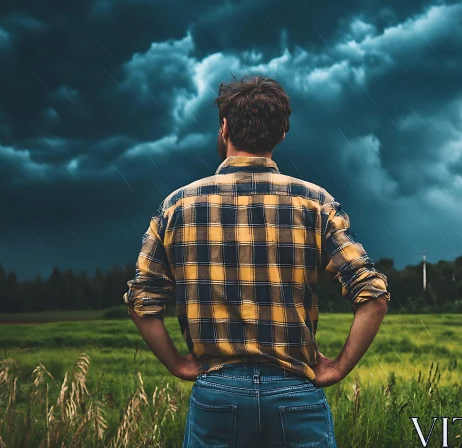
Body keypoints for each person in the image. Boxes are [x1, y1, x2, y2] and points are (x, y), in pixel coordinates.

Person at [124, 75, 390, 447]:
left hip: (217, 394)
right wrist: (339, 366)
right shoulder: (315, 203)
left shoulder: (177, 206)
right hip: (295, 393)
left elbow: (141, 300)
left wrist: (177, 363)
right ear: (281, 134)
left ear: (225, 127)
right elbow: (373, 295)